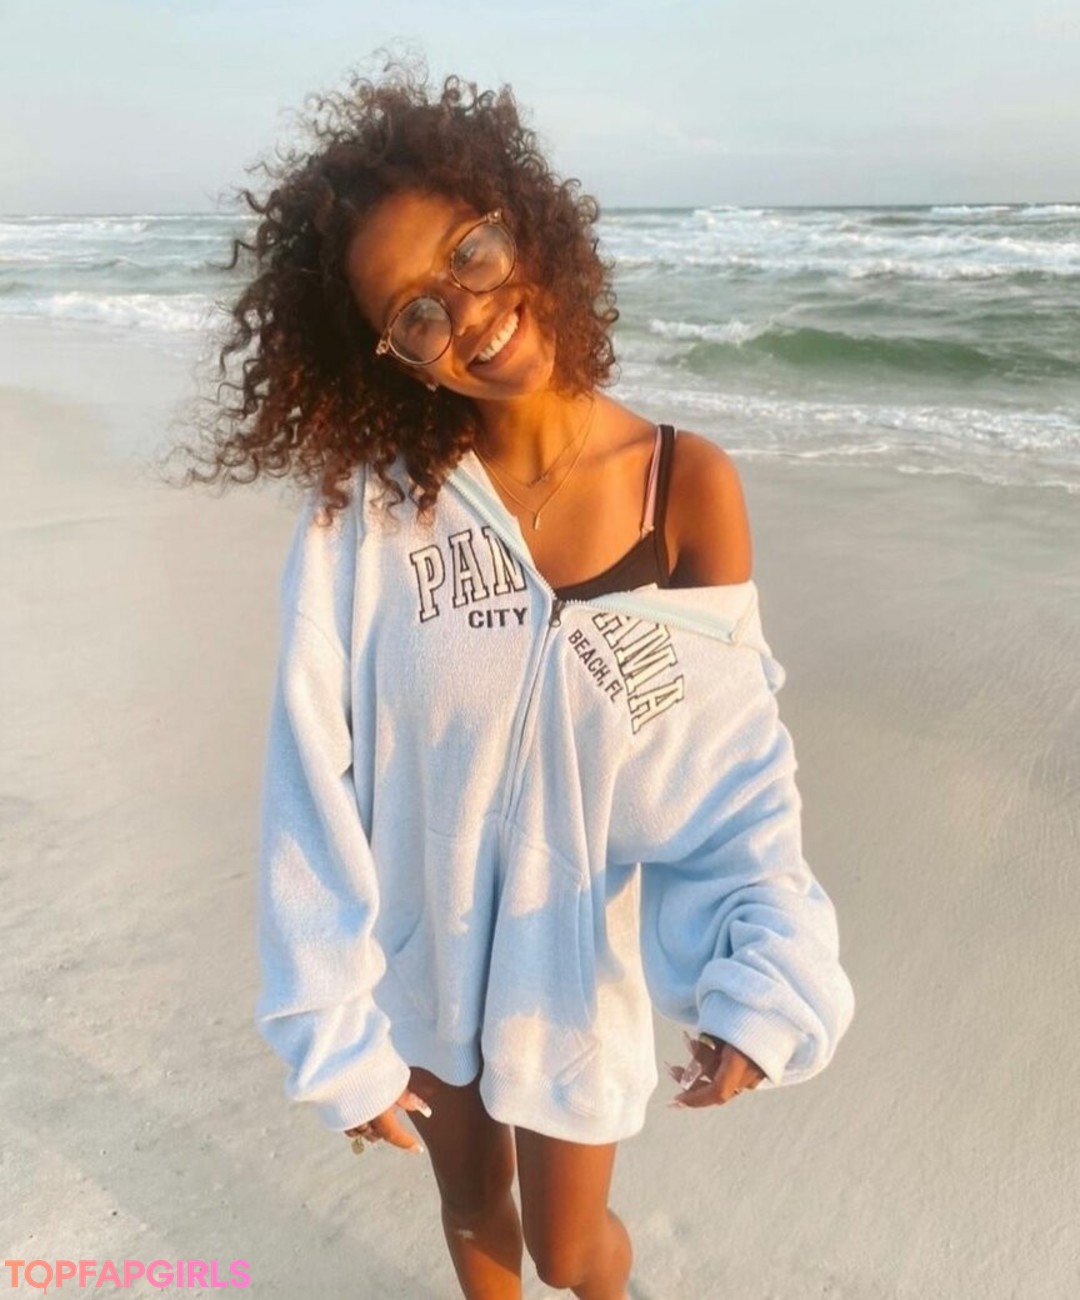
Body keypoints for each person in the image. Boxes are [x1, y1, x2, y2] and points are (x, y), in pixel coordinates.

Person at [175, 62, 855, 1300]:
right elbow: (309, 761)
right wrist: (331, 1012)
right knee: (469, 1206)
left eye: (471, 252)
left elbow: (728, 770)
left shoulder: (685, 489)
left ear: (523, 223)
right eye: (416, 313)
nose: (468, 312)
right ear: (394, 357)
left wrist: (760, 969)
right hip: (421, 953)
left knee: (571, 1248)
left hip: (571, 965)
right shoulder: (370, 517)